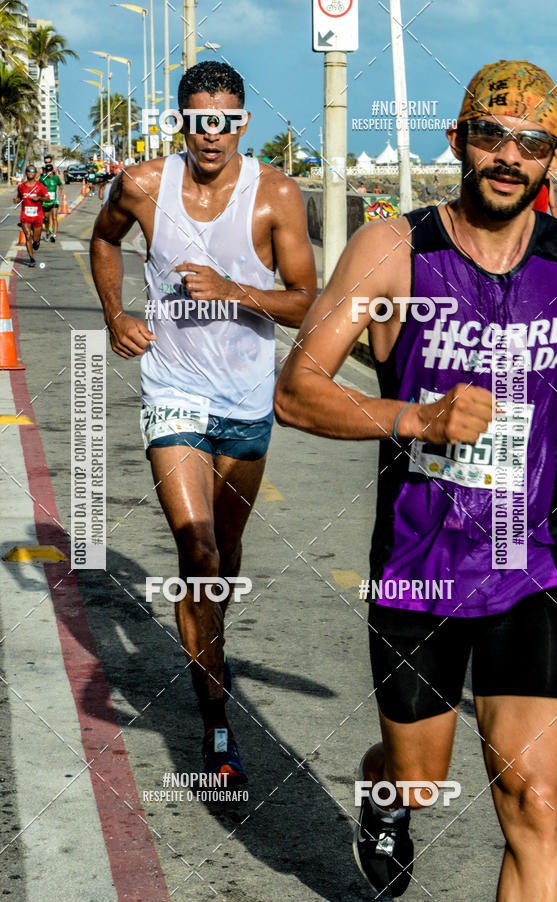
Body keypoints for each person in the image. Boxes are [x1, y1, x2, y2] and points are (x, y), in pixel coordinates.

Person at [275, 59, 557, 900]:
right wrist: (416, 418)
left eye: (530, 143)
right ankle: (385, 794)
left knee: (535, 796)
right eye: (491, 135)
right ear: (457, 140)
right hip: (420, 566)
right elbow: (297, 390)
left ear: (554, 160)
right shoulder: (394, 248)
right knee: (418, 777)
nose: (508, 156)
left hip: (534, 563)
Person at [90, 61, 317, 783]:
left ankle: (208, 641)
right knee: (199, 550)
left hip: (246, 402)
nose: (209, 133)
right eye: (196, 119)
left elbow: (308, 298)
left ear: (241, 122)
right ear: (180, 121)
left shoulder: (276, 194)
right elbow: (103, 239)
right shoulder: (143, 186)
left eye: (223, 119)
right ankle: (218, 728)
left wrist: (235, 290)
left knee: (225, 550)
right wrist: (115, 314)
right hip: (174, 390)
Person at [14, 165, 50, 266]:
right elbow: (19, 197)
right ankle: (31, 258)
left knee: (35, 238)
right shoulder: (21, 186)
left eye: (33, 171)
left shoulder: (40, 186)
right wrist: (16, 200)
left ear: (35, 173)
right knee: (28, 236)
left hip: (37, 215)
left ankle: (37, 242)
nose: (30, 173)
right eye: (28, 171)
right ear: (26, 172)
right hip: (25, 216)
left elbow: (48, 199)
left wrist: (39, 198)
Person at [40, 156, 63, 242]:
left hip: (54, 200)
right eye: (48, 171)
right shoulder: (42, 178)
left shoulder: (56, 178)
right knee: (46, 218)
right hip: (46, 201)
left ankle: (54, 235)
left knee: (54, 217)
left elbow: (61, 185)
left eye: (51, 172)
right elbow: (38, 186)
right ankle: (47, 232)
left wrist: (58, 196)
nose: (50, 173)